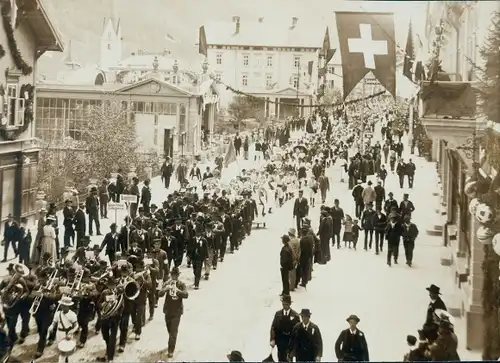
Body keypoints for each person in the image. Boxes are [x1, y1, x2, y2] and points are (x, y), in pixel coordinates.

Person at [159, 267, 189, 358]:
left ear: (178, 275)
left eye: (175, 275)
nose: (174, 277)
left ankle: (170, 350)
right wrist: (165, 289)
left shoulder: (181, 284)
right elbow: (159, 294)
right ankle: (172, 340)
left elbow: (186, 295)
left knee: (173, 332)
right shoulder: (167, 283)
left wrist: (177, 290)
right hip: (168, 311)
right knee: (170, 330)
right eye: (172, 275)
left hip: (177, 312)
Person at [269, 294, 300, 362]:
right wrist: (272, 339)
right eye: (283, 304)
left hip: (290, 342)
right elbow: (273, 327)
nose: (284, 306)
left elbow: (298, 331)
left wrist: (296, 344)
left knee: (288, 359)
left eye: (286, 304)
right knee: (280, 358)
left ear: (289, 304)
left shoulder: (295, 315)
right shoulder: (278, 314)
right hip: (280, 341)